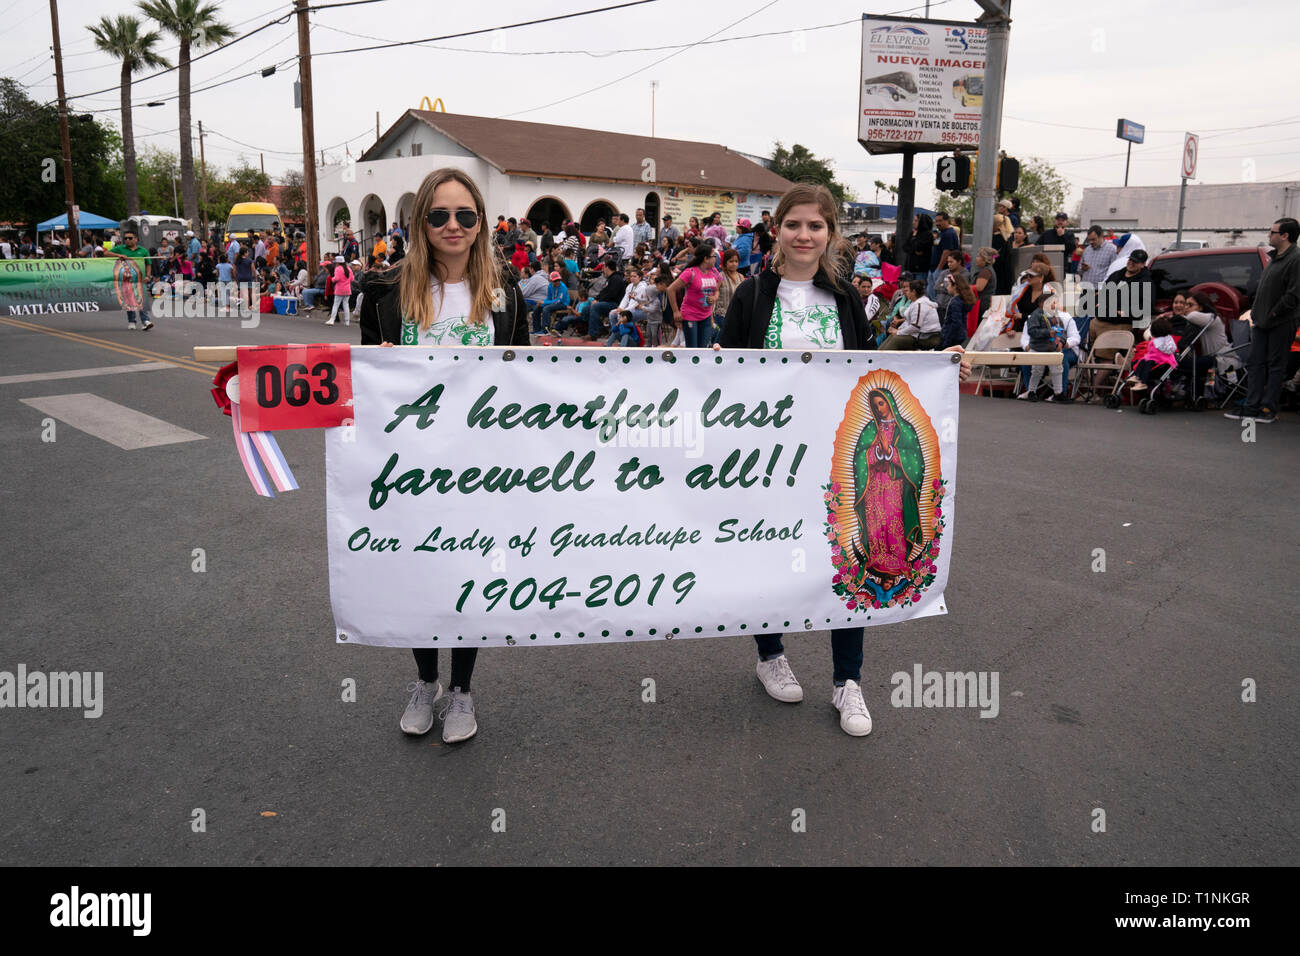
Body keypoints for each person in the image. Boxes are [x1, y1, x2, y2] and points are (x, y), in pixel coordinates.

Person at [717, 183, 971, 737]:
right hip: (768, 459)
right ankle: (770, 654)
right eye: (794, 225)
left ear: (830, 234)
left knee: (852, 555)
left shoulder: (847, 298)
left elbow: (871, 370)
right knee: (769, 554)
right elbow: (724, 375)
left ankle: (847, 682)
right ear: (776, 230)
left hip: (839, 456)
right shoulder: (751, 296)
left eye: (815, 226)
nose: (804, 235)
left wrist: (939, 363)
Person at [358, 168, 529, 744]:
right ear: (420, 223)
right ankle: (425, 681)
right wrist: (376, 363)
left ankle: (462, 690)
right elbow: (362, 384)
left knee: (469, 577)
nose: (452, 226)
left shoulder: (505, 292)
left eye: (465, 215)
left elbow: (527, 380)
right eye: (438, 216)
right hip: (410, 466)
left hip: (483, 467)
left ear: (482, 222)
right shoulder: (384, 292)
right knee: (420, 575)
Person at [1226, 217, 1300, 423]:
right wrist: (1258, 313)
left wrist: (1273, 314)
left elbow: (1293, 296)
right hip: (1261, 322)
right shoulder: (1274, 258)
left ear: (1285, 235)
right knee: (1256, 363)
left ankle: (1268, 409)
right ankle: (1252, 406)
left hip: (1281, 322)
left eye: (1273, 232)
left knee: (1276, 365)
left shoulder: (1296, 258)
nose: (1269, 235)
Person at [1018, 296, 1079, 402]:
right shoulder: (1035, 316)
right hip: (1038, 348)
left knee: (1057, 369)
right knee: (1037, 370)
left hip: (1052, 348)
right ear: (1042, 304)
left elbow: (1062, 331)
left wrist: (1062, 342)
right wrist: (1047, 333)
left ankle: (1058, 393)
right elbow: (1032, 331)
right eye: (1051, 303)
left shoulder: (1056, 316)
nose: (1054, 305)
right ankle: (1031, 391)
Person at [666, 244, 719, 348]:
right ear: (706, 258)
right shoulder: (690, 272)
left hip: (706, 316)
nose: (716, 259)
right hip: (691, 315)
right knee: (692, 349)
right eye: (714, 256)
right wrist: (676, 311)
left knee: (703, 348)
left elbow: (717, 290)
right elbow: (670, 289)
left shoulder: (713, 272)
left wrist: (714, 297)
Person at [106, 230, 154, 330]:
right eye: (125, 238)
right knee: (129, 300)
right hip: (126, 279)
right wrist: (118, 255)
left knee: (141, 299)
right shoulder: (120, 248)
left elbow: (148, 264)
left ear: (136, 239)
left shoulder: (143, 251)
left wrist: (148, 276)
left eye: (130, 238)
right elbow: (105, 253)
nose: (127, 240)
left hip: (140, 279)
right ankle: (132, 321)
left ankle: (145, 321)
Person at [880, 281, 942, 350]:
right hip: (919, 335)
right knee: (892, 336)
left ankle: (880, 359)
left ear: (914, 292)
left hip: (927, 338)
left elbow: (915, 327)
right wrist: (897, 330)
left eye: (908, 291)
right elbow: (908, 323)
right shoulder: (915, 303)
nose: (906, 293)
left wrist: (898, 332)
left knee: (896, 339)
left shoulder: (920, 304)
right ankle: (877, 356)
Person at [587, 258, 627, 339]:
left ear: (607, 267)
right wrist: (596, 299)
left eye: (603, 267)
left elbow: (611, 294)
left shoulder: (616, 279)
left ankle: (593, 334)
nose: (603, 270)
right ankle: (599, 329)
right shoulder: (610, 278)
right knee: (586, 308)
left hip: (615, 304)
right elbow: (603, 291)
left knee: (595, 307)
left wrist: (599, 301)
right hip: (607, 301)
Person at [940, 271, 975, 349]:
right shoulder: (961, 300)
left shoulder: (955, 302)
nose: (947, 287)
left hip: (952, 337)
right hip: (960, 335)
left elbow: (956, 323)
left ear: (955, 286)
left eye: (948, 284)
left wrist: (946, 341)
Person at [929, 212, 959, 297]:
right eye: (936, 221)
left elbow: (947, 252)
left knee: (938, 294)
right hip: (933, 268)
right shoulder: (941, 233)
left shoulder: (948, 234)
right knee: (930, 292)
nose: (938, 223)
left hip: (942, 269)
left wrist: (939, 269)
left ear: (947, 221)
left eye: (940, 221)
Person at [325, 255, 352, 325]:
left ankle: (332, 320)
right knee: (346, 305)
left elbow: (336, 278)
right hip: (347, 289)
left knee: (336, 305)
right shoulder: (349, 269)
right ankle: (347, 321)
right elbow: (352, 279)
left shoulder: (338, 269)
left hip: (339, 289)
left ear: (338, 262)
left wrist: (332, 279)